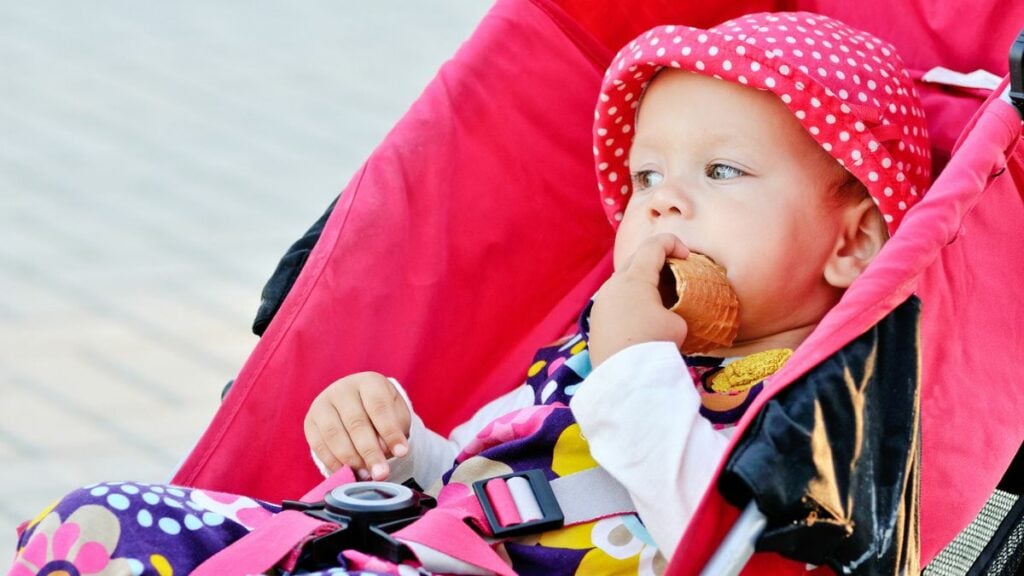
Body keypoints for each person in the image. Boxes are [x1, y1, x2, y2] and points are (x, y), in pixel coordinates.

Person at [8, 11, 930, 576]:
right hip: (413, 544)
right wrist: (403, 451)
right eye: (646, 178)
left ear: (851, 242)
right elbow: (500, 484)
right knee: (93, 524)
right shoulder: (609, 338)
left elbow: (712, 539)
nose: (666, 202)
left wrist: (634, 364)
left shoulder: (818, 406)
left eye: (721, 171)